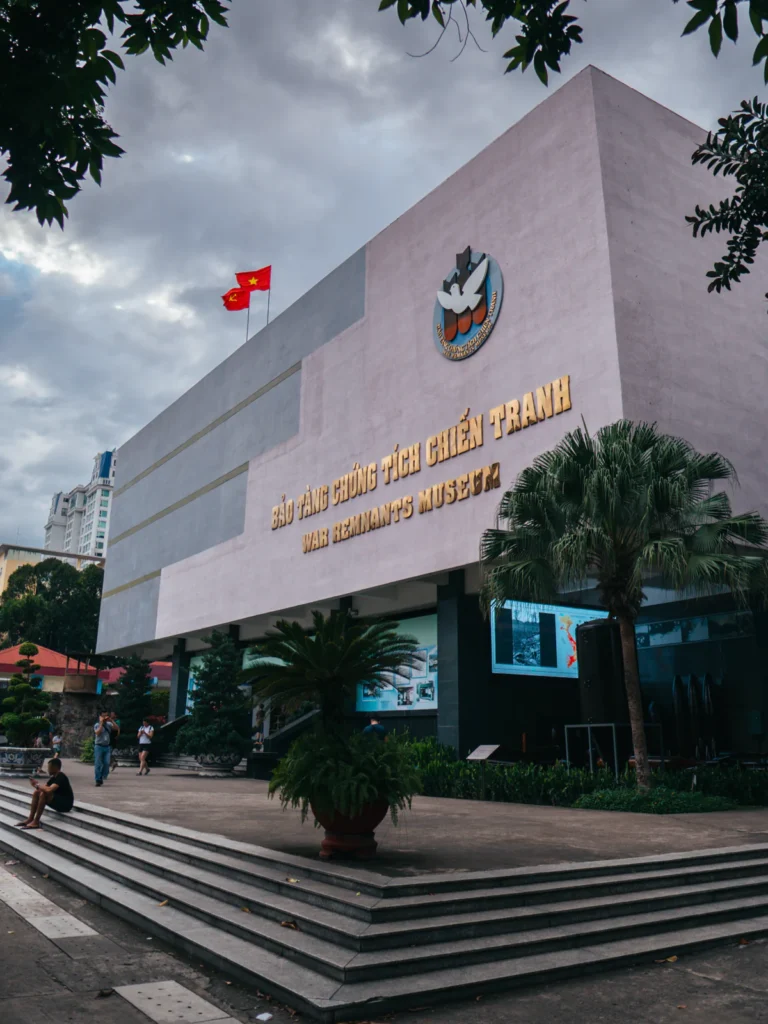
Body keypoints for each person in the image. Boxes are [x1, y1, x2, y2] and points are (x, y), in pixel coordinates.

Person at [14, 758, 74, 829]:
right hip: (59, 802)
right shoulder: (53, 778)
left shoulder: (61, 776)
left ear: (55, 767)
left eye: (49, 767)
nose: (48, 769)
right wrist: (36, 785)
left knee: (44, 794)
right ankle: (30, 818)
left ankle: (36, 821)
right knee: (37, 792)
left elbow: (49, 790)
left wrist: (37, 785)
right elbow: (43, 788)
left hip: (66, 805)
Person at [93, 711, 114, 786]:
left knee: (106, 763)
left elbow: (116, 728)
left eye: (106, 716)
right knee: (98, 763)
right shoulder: (97, 725)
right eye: (103, 716)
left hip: (107, 746)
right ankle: (98, 780)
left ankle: (102, 776)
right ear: (100, 717)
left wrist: (111, 721)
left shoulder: (109, 724)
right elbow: (97, 733)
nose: (105, 717)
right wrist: (101, 723)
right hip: (98, 746)